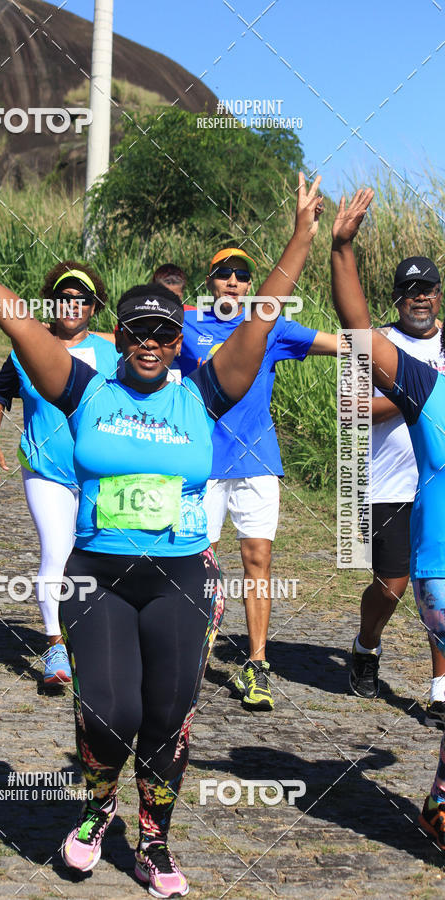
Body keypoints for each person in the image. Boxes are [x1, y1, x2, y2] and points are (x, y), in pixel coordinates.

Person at [0, 178, 323, 897]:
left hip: (181, 579)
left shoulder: (204, 393)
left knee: (166, 716)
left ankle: (155, 844)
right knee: (111, 711)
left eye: (166, 332)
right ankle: (97, 814)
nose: (153, 344)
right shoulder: (85, 388)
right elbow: (11, 315)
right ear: (120, 337)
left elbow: (262, 319)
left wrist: (303, 238)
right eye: (139, 332)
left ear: (177, 340)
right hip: (96, 576)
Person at [178, 246, 341, 712]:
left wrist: (394, 346)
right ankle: (192, 658)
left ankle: (257, 663)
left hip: (257, 462)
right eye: (223, 273)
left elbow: (341, 343)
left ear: (251, 285)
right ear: (208, 281)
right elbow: (128, 340)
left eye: (242, 275)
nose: (233, 281)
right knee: (196, 564)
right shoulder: (187, 324)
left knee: (257, 561)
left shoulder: (270, 327)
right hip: (202, 463)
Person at [332, 186, 445, 850]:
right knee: (389, 584)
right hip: (440, 561)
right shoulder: (426, 388)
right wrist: (341, 248)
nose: (423, 297)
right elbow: (357, 335)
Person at [0, 262, 119, 684]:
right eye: (65, 298)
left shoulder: (113, 351)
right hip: (45, 470)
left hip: (100, 473)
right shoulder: (29, 346)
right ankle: (55, 647)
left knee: (101, 555)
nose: (72, 306)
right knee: (57, 552)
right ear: (53, 303)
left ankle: (96, 639)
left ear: (93, 307)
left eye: (81, 300)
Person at [349, 256, 445, 721]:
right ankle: (366, 645)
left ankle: (440, 687)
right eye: (410, 291)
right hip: (388, 482)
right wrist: (415, 394)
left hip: (437, 486)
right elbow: (353, 408)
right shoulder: (380, 343)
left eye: (427, 288)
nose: (420, 298)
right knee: (392, 586)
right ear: (397, 299)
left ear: (439, 294)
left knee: (438, 586)